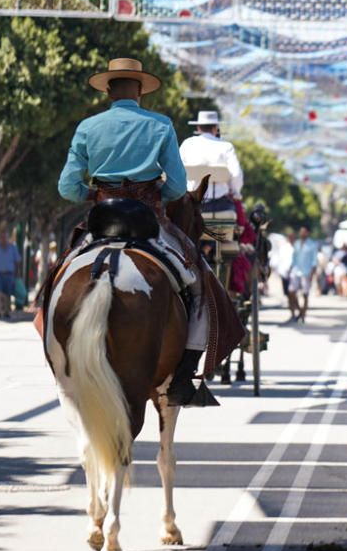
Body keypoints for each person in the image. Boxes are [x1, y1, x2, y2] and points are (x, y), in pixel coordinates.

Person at [57, 57, 234, 407]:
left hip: (101, 219)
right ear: (140, 91)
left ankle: (56, 353)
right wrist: (156, 194)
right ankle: (185, 373)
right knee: (199, 284)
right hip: (148, 222)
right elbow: (177, 187)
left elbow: (67, 186)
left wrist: (92, 193)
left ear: (108, 90)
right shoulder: (161, 125)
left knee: (58, 276)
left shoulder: (88, 126)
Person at [179, 111, 244, 205]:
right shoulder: (226, 146)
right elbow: (236, 174)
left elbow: (177, 170)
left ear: (198, 127)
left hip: (192, 203)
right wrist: (235, 191)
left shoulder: (187, 144)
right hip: (220, 204)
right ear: (215, 128)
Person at [0, 230, 21, 318]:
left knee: (7, 294)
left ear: (8, 238)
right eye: (1, 238)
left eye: (5, 237)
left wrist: (17, 274)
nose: (3, 239)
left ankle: (6, 311)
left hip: (9, 274)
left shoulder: (13, 247)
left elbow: (17, 261)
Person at [289, 226, 319, 323]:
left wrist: (312, 273)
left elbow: (314, 260)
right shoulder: (297, 243)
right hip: (296, 270)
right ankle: (299, 311)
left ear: (308, 233)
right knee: (291, 291)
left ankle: (303, 314)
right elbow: (294, 258)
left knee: (305, 294)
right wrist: (290, 268)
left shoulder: (312, 245)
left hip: (306, 272)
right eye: (301, 232)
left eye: (304, 232)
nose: (302, 234)